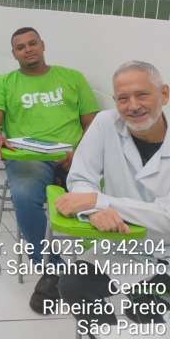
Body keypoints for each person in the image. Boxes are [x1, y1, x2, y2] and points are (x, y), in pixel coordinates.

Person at [0, 26, 99, 313]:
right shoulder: (4, 83)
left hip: (74, 155)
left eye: (32, 43)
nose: (28, 49)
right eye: (20, 47)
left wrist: (80, 153)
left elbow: (94, 124)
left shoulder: (72, 78)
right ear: (14, 54)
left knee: (101, 197)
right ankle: (52, 268)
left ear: (43, 45)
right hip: (29, 157)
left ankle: (91, 267)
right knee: (23, 195)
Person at [56, 61, 170, 334]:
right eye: (123, 98)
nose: (133, 106)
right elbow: (80, 179)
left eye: (142, 95)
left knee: (146, 303)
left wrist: (100, 202)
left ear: (164, 94)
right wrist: (94, 212)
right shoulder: (105, 124)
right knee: (73, 285)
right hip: (122, 244)